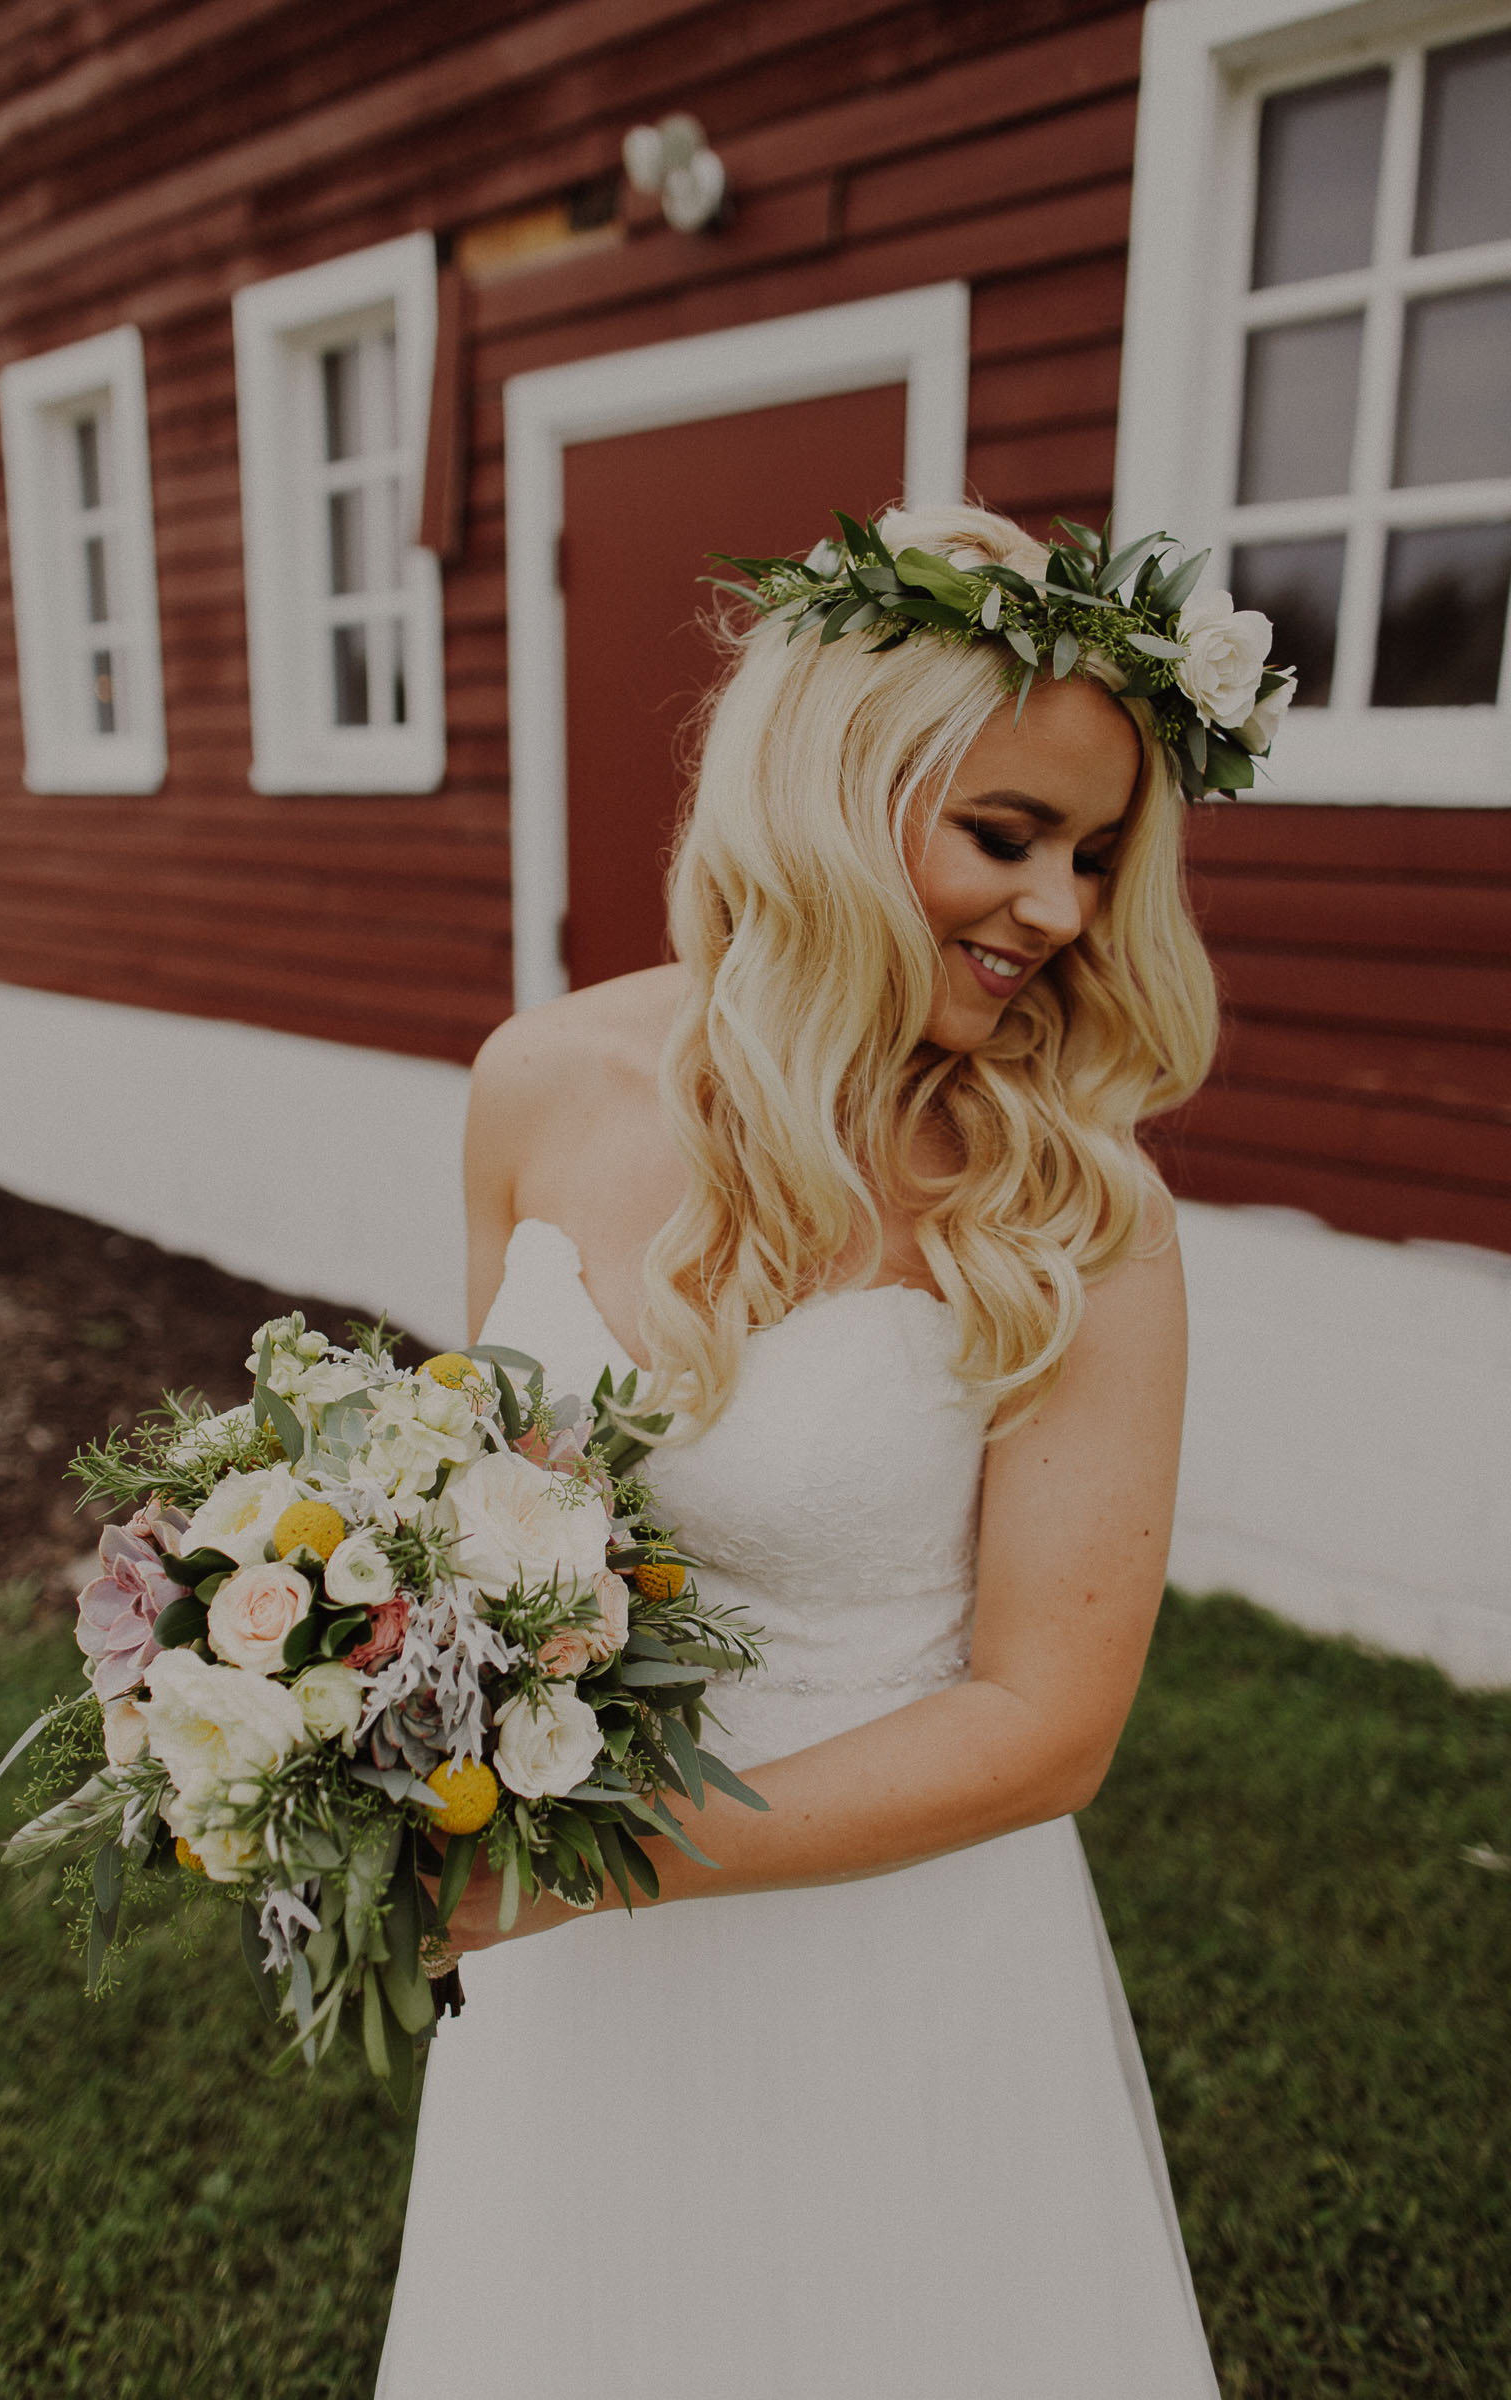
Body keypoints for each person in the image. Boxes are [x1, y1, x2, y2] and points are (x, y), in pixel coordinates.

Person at [376, 501, 1283, 2398]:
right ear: (827, 794)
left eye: (1100, 859)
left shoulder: (1079, 1213)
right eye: (1006, 835)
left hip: (894, 1958)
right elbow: (477, 1510)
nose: (1062, 912)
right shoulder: (537, 1082)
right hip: (570, 1975)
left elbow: (1052, 1725)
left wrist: (585, 1872)